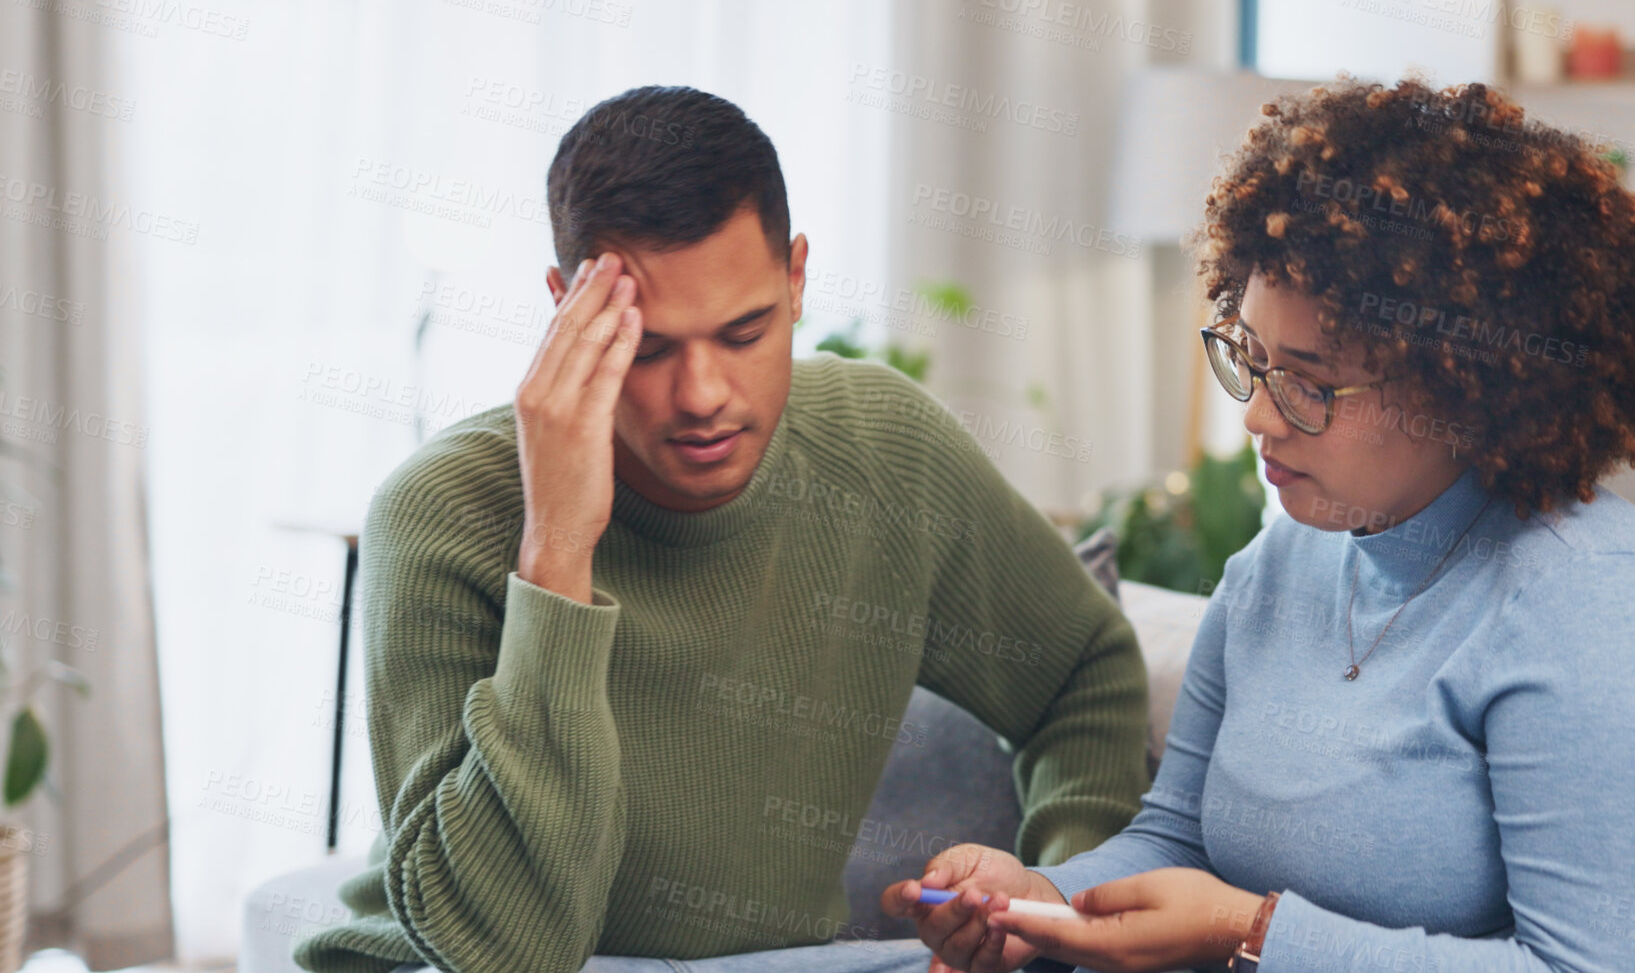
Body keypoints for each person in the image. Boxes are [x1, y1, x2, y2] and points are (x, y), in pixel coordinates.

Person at [887, 78, 1635, 973]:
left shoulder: (1610, 614)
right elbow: (1177, 836)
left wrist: (1250, 932)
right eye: (1247, 355)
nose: (1256, 414)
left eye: (1312, 382)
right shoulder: (1279, 563)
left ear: (1468, 387)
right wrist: (1035, 905)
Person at [291, 86, 1150, 973]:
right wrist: (556, 554)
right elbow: (507, 951)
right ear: (564, 309)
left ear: (797, 278)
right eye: (650, 348)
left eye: (744, 331)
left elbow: (1081, 674)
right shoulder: (439, 513)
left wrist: (1054, 900)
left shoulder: (884, 450)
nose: (702, 395)